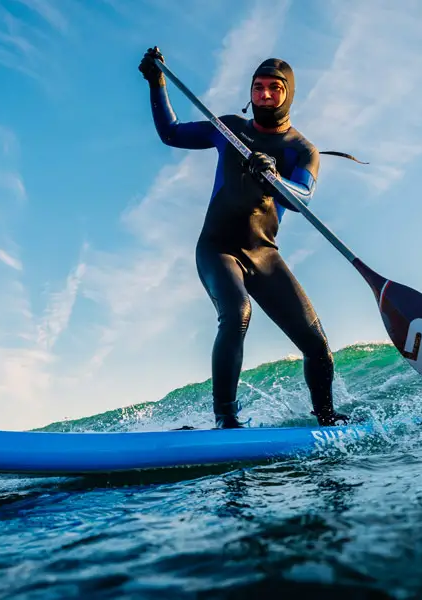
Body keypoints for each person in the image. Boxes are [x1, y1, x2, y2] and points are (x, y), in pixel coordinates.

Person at [138, 46, 350, 429]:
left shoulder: (301, 150)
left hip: (263, 255)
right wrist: (158, 82)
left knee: (317, 345)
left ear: (289, 94)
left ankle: (326, 419)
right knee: (236, 314)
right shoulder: (231, 129)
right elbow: (171, 133)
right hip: (217, 248)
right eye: (258, 87)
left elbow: (301, 198)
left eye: (275, 88)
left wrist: (274, 175)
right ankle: (225, 421)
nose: (265, 95)